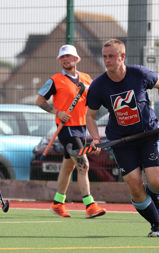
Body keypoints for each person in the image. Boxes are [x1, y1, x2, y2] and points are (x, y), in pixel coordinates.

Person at [85, 39, 159, 237]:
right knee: (134, 185)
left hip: (148, 135)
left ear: (122, 57)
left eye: (111, 56)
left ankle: (154, 196)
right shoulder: (98, 86)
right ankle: (156, 224)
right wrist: (96, 139)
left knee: (157, 183)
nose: (107, 60)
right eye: (105, 56)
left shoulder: (139, 74)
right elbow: (89, 116)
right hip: (122, 142)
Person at [36, 44, 106, 219]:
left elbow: (94, 101)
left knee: (69, 167)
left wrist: (95, 137)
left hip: (82, 128)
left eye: (69, 56)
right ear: (59, 61)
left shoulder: (87, 79)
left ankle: (58, 203)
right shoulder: (54, 80)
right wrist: (56, 112)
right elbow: (39, 100)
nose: (65, 59)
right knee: (84, 164)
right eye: (62, 57)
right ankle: (90, 205)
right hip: (66, 130)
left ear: (76, 59)